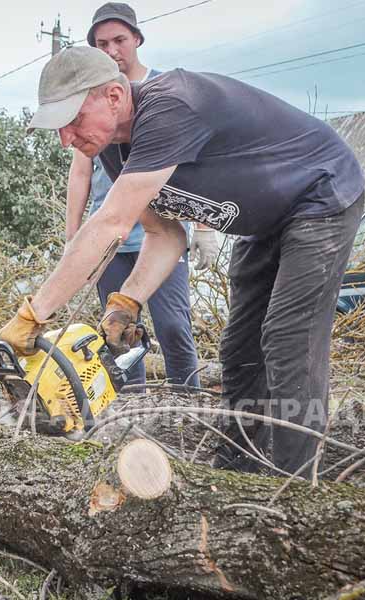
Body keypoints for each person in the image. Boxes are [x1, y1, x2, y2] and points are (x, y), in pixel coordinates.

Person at [0, 46, 365, 478]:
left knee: (287, 338)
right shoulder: (115, 150)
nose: (65, 138)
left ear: (114, 96)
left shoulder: (171, 106)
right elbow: (164, 233)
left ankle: (296, 485)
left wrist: (34, 313)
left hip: (320, 195)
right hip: (264, 222)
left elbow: (111, 223)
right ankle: (238, 470)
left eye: (73, 119)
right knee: (240, 349)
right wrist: (127, 302)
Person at [66, 2, 216, 388]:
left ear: (136, 39)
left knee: (172, 327)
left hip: (162, 232)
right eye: (102, 43)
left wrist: (203, 225)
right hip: (110, 240)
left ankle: (187, 402)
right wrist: (74, 243)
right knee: (117, 333)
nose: (112, 50)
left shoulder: (164, 90)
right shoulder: (89, 101)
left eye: (119, 40)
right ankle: (132, 409)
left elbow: (197, 166)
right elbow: (81, 171)